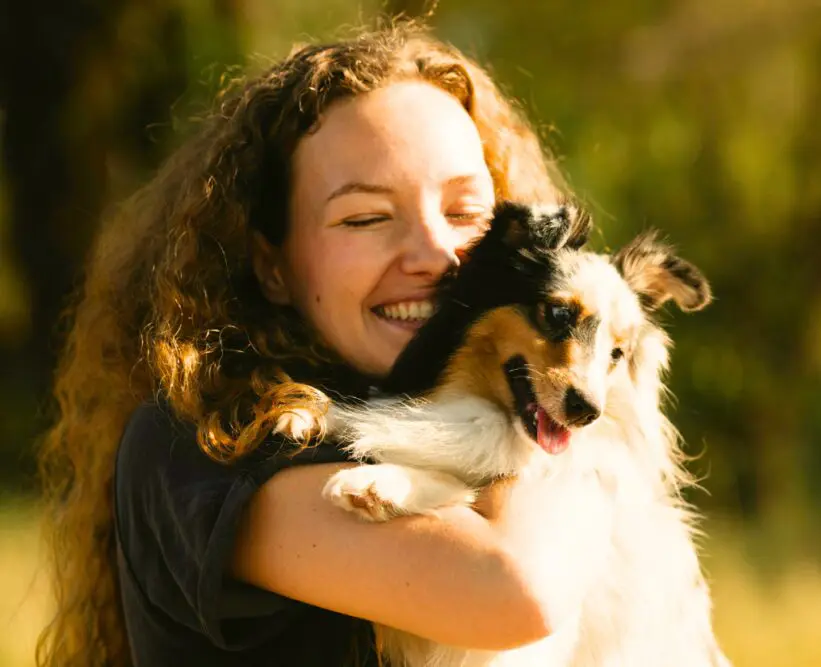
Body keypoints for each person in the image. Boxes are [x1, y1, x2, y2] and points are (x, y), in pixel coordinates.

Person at [36, 21, 572, 667]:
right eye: (367, 217)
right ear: (272, 265)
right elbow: (515, 591)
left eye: (465, 213)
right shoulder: (199, 446)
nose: (437, 255)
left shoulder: (434, 418)